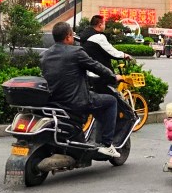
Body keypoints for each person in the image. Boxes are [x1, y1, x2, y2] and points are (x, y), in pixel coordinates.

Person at [41, 21, 123, 159]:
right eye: (72, 35)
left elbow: (63, 74)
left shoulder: (45, 55)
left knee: (97, 100)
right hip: (76, 101)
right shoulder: (76, 52)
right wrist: (114, 77)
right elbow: (96, 66)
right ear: (68, 36)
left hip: (54, 102)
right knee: (111, 101)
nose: (73, 38)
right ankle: (107, 144)